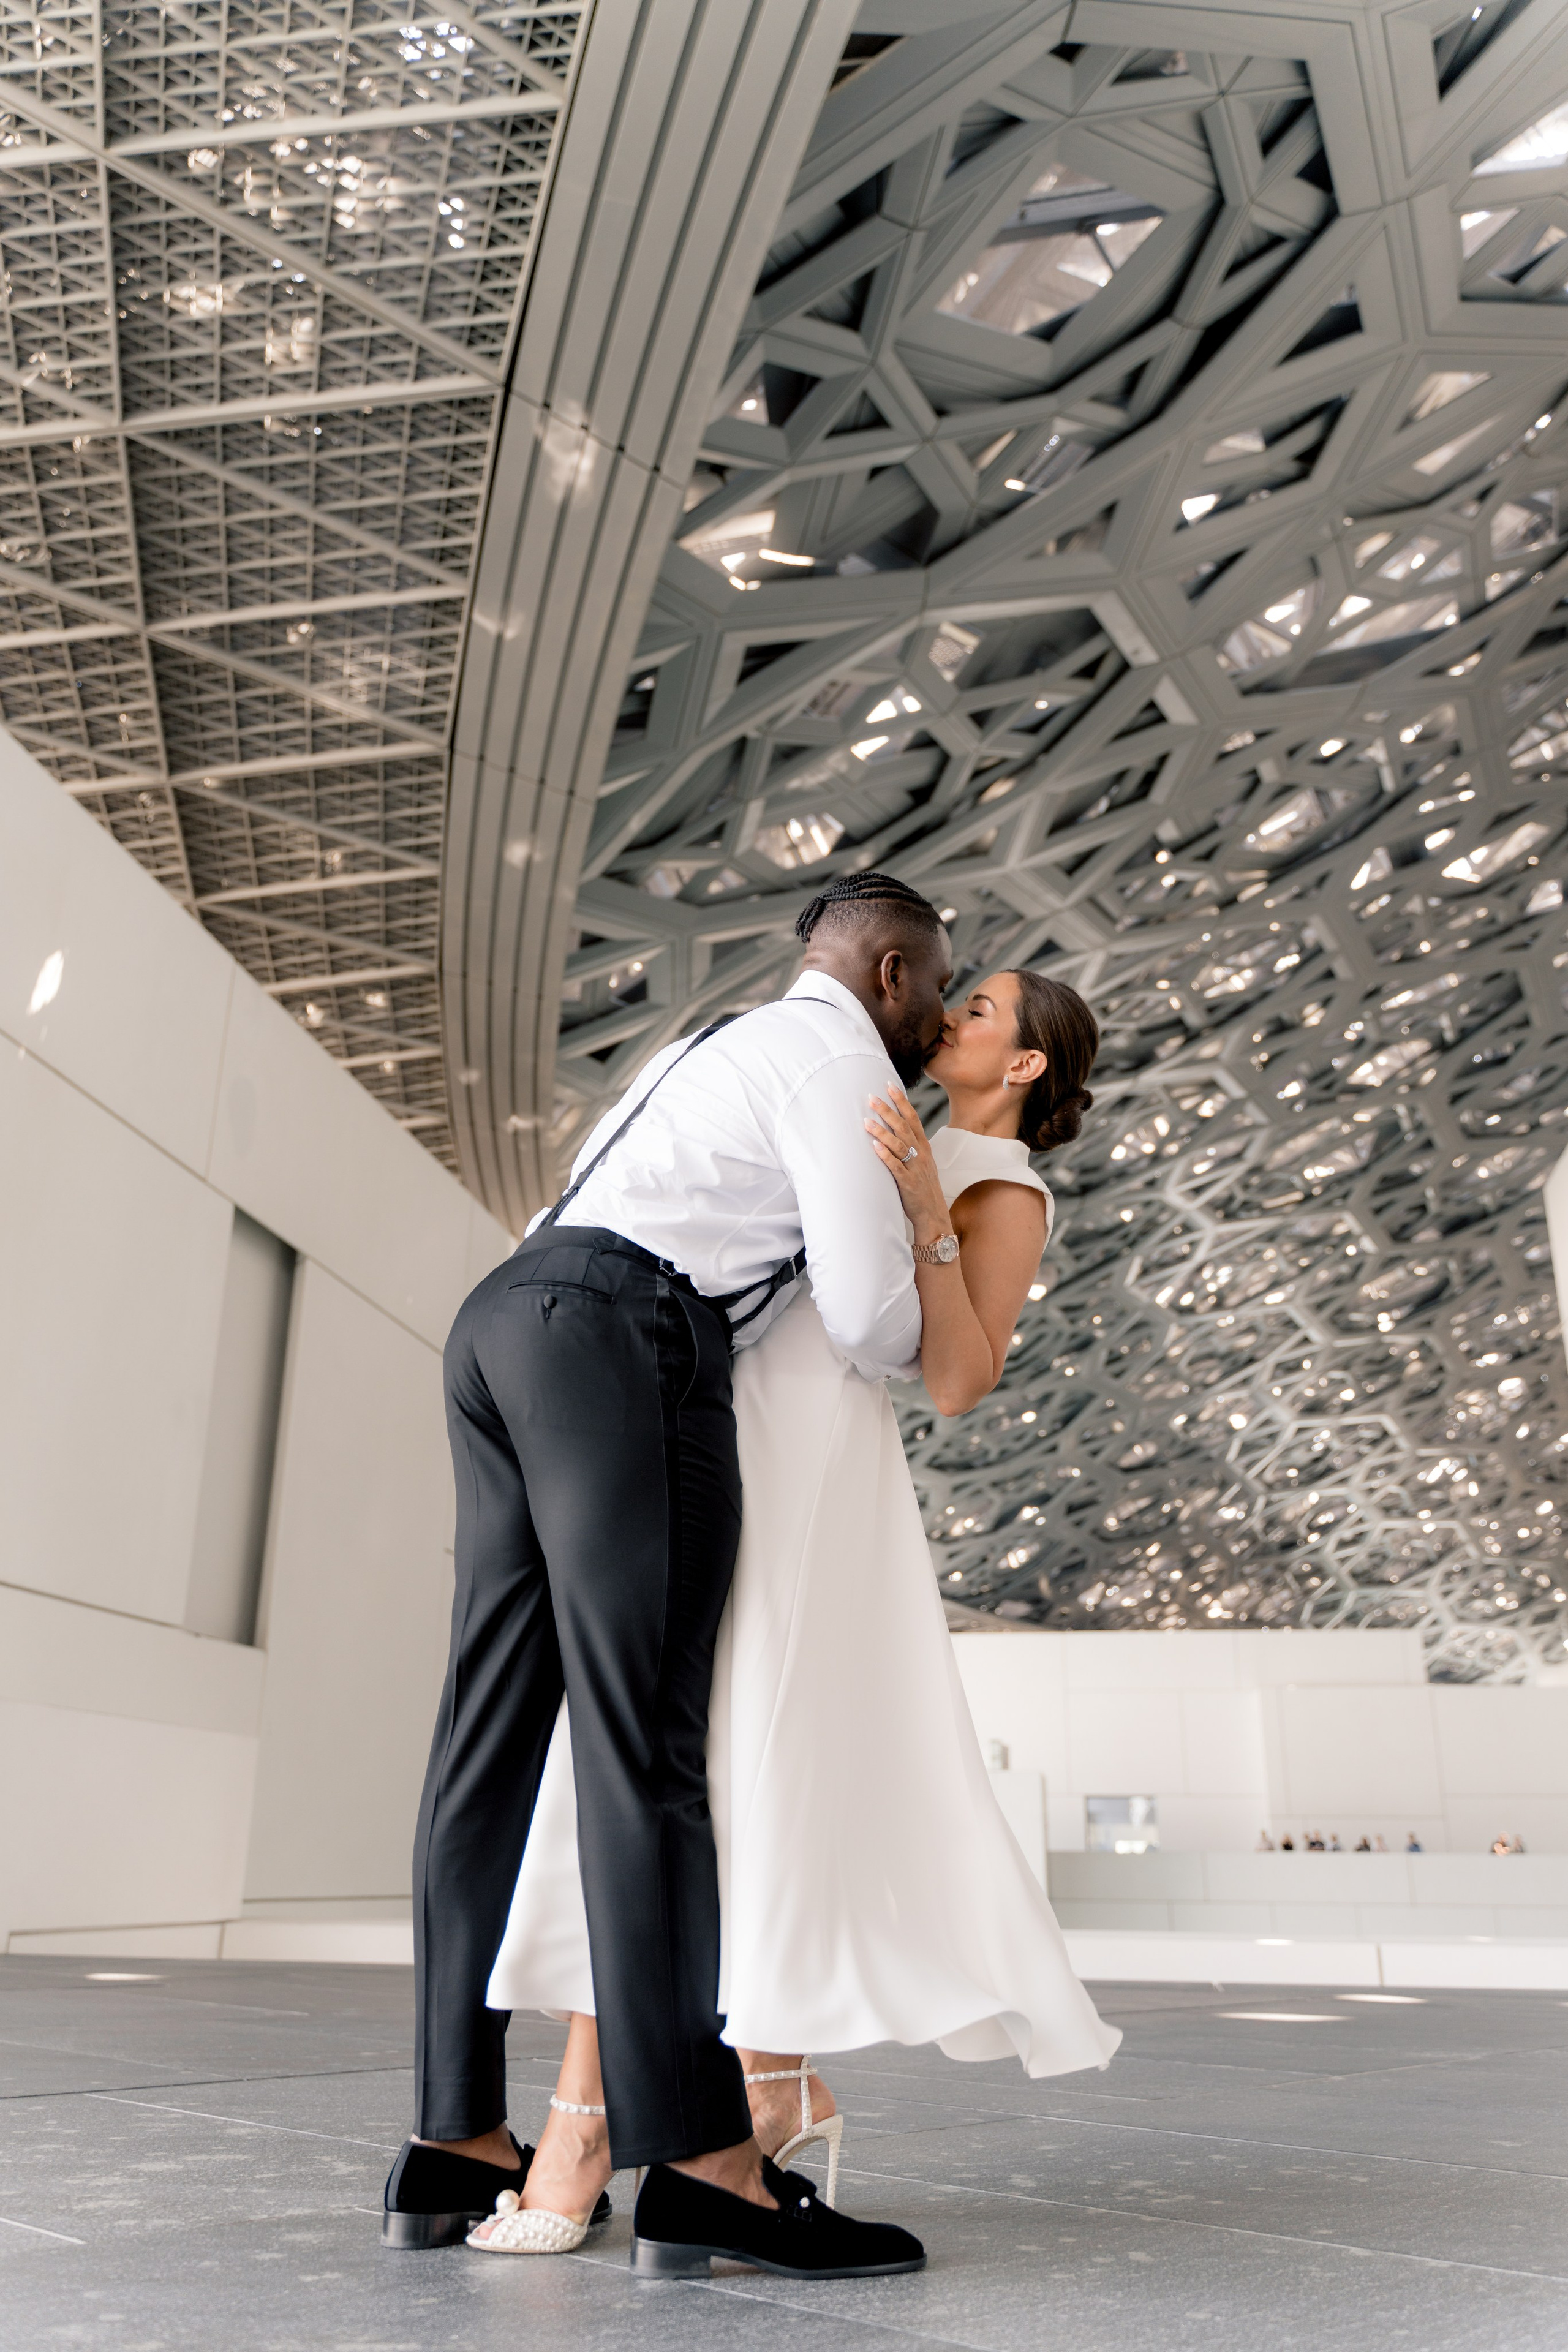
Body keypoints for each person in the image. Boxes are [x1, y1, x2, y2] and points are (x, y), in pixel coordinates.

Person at [475, 956, 1121, 2255]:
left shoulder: (1000, 1183)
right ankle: (753, 2084)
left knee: (688, 1756)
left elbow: (956, 1377)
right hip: (716, 1413)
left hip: (805, 1451)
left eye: (981, 1009)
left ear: (1028, 1063)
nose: (949, 1015)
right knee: (666, 1757)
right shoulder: (863, 1103)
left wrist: (928, 1214)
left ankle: (595, 2122)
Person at [382, 872, 954, 2282]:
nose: (939, 1019)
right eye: (937, 985)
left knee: (483, 1748)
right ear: (886, 972)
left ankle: (452, 2138)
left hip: (503, 1318)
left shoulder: (700, 1045)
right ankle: (702, 2165)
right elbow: (878, 1322)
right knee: (646, 1756)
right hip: (627, 1336)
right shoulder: (832, 1062)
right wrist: (910, 1207)